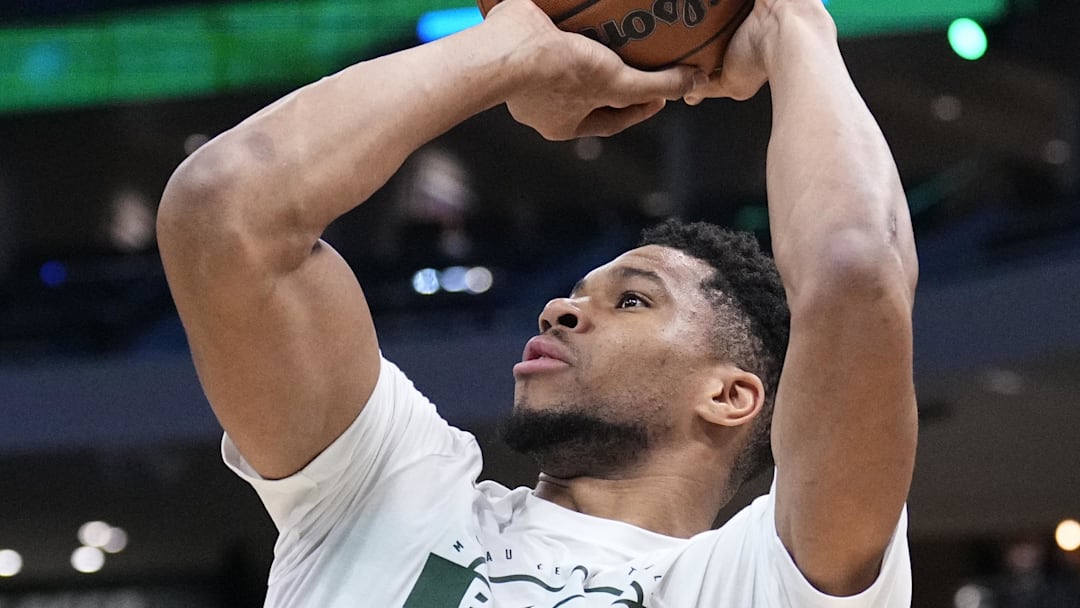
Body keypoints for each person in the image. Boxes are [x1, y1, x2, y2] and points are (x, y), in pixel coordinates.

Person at [156, 0, 919, 605]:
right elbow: (223, 211)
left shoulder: (760, 583)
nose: (558, 309)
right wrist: (513, 47)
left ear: (729, 394)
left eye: (631, 301)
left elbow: (856, 274)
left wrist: (794, 24)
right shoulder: (387, 492)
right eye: (574, 293)